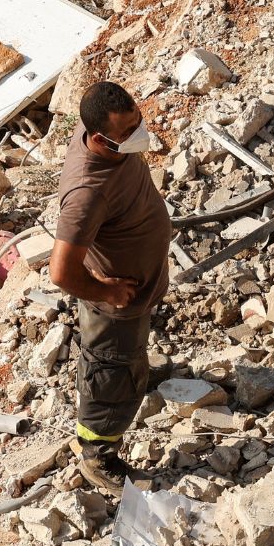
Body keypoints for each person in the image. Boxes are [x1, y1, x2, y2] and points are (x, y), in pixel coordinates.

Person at [50, 81, 172, 491]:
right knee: (110, 375)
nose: (139, 135)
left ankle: (135, 370)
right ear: (99, 139)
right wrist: (106, 292)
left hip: (137, 290)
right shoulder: (87, 192)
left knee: (127, 359)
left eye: (138, 123)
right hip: (116, 307)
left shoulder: (105, 139)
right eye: (128, 133)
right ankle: (97, 455)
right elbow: (61, 272)